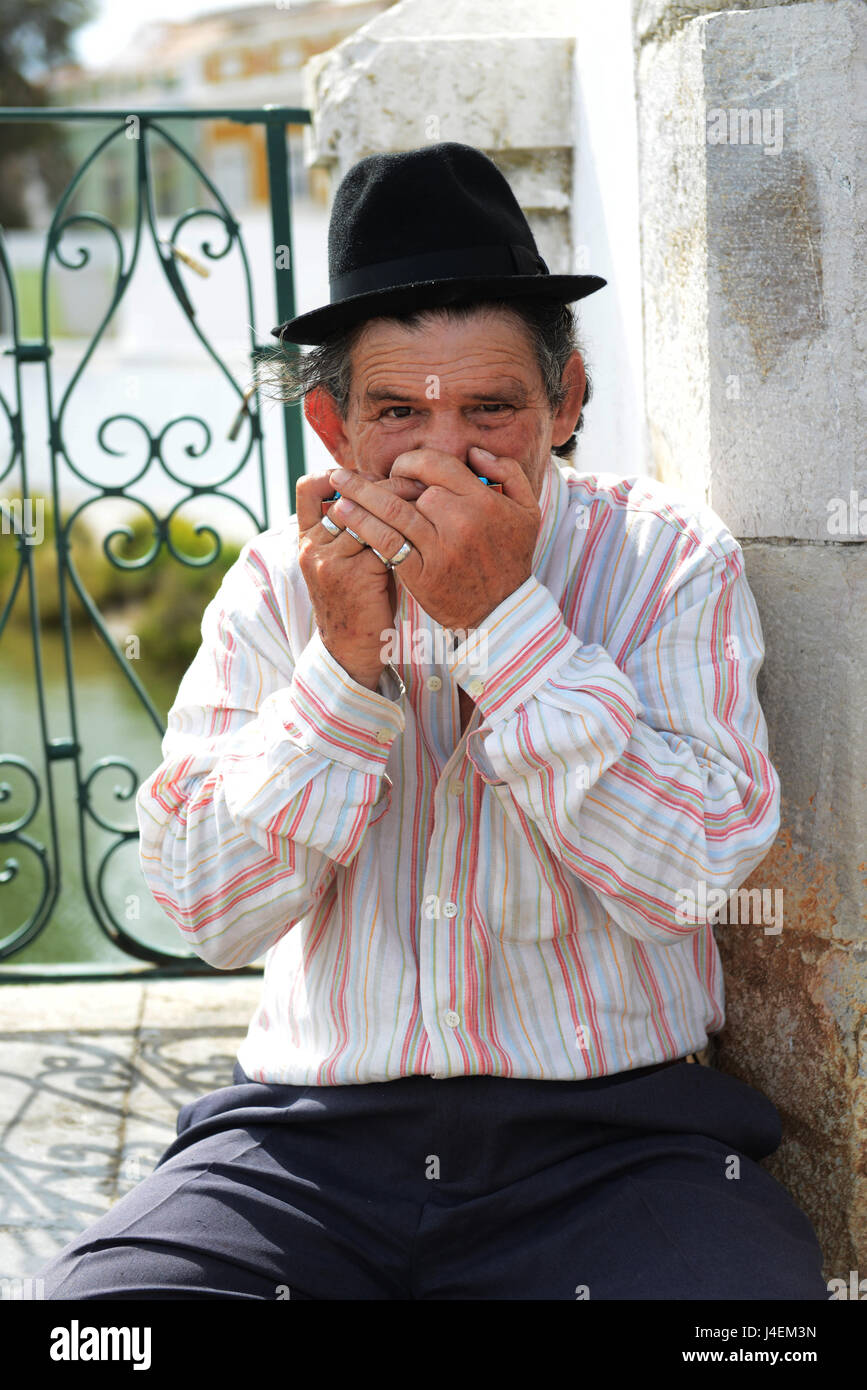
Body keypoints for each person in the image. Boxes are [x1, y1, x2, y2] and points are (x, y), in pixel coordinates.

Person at [40, 142, 828, 1300]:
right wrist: (344, 673)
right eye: (399, 409)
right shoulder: (274, 585)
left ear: (566, 403)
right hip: (308, 1139)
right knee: (96, 1326)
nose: (444, 451)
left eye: (494, 409)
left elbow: (694, 873)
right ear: (332, 426)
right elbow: (206, 909)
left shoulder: (665, 557)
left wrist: (506, 627)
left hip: (619, 1140)